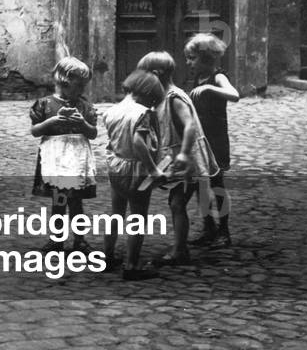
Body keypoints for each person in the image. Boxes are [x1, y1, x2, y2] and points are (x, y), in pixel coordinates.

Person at [137, 51, 218, 266]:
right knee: (177, 201)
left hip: (187, 158)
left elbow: (190, 124)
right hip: (175, 157)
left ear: (156, 74)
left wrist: (183, 153)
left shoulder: (174, 97)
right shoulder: (161, 95)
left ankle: (180, 250)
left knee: (177, 202)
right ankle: (204, 230)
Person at [101, 70, 167, 281]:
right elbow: (139, 142)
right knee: (138, 217)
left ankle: (107, 256)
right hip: (135, 170)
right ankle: (131, 264)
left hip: (116, 165)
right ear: (146, 93)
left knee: (116, 213)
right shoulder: (142, 113)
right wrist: (153, 169)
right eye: (153, 100)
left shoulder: (112, 110)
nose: (153, 105)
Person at [29, 56, 98, 254]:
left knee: (76, 201)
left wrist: (82, 124)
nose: (81, 91)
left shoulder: (84, 106)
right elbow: (35, 131)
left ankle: (80, 239)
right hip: (55, 157)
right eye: (79, 86)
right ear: (65, 81)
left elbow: (93, 133)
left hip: (76, 157)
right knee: (58, 200)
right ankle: (56, 239)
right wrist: (52, 122)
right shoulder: (45, 104)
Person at [185, 33, 240, 248]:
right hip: (198, 139)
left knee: (217, 184)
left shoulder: (217, 77)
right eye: (188, 58)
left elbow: (234, 94)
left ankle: (224, 231)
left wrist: (210, 88)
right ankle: (208, 227)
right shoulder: (193, 79)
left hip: (214, 139)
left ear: (206, 58)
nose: (188, 63)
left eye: (192, 58)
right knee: (200, 184)